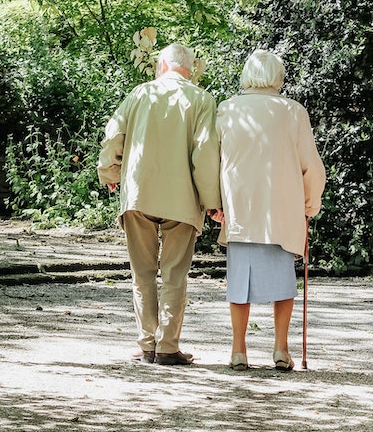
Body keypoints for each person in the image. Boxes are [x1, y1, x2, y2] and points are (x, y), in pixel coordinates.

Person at [97, 43, 221, 366]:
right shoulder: (202, 100)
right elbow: (205, 153)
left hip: (139, 194)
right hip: (182, 199)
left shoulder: (139, 94)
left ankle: (146, 344)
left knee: (142, 273)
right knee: (174, 274)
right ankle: (167, 346)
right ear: (189, 70)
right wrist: (212, 202)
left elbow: (113, 136)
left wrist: (110, 172)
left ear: (162, 65)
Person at [209, 49, 326, 371]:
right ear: (278, 77)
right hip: (282, 211)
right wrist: (309, 205)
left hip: (240, 209)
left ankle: (238, 350)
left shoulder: (227, 109)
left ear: (247, 75)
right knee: (283, 284)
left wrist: (214, 203)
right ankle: (281, 349)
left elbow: (211, 160)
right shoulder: (293, 112)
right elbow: (312, 167)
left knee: (239, 284)